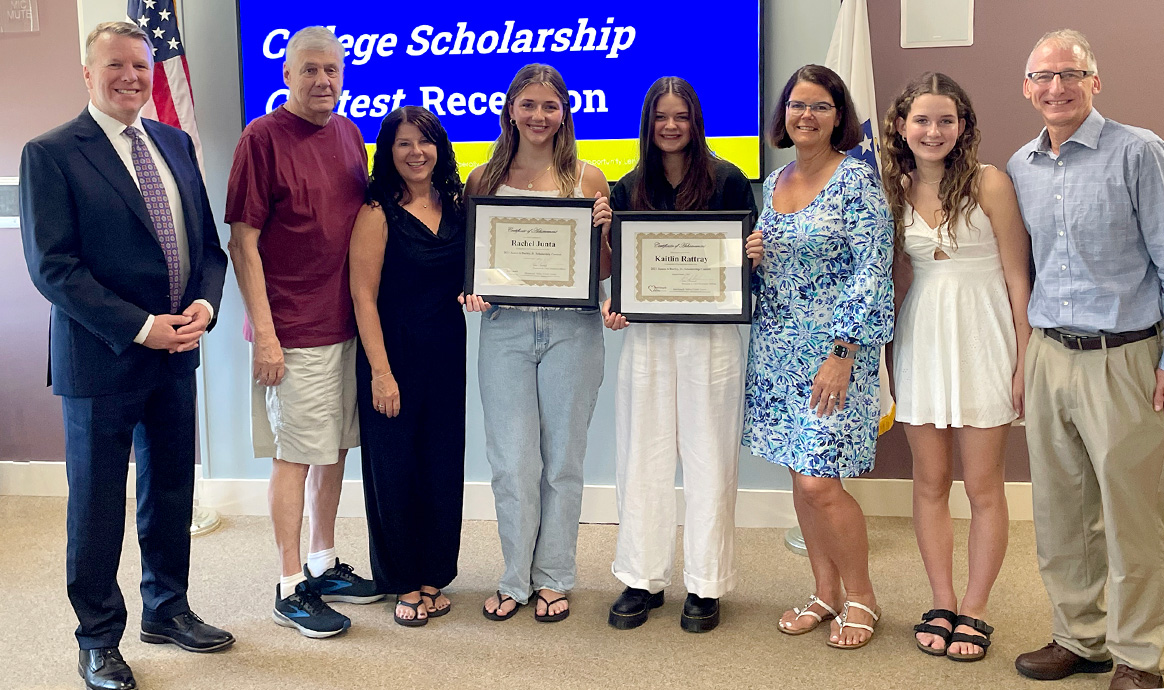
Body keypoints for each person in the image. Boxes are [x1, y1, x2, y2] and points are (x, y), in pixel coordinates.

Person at [19, 20, 232, 690]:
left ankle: (167, 610)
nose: (133, 77)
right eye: (117, 66)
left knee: (170, 491)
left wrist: (204, 305)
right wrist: (143, 327)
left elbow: (206, 249)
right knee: (97, 505)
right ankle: (97, 639)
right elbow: (54, 268)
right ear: (89, 74)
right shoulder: (50, 153)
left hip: (176, 355)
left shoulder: (173, 141)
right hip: (101, 359)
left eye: (141, 65)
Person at [1006, 30, 1164, 690]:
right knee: (1060, 512)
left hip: (1122, 358)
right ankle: (1081, 635)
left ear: (1095, 83)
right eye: (1043, 76)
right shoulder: (1020, 166)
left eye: (1071, 74)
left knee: (1132, 515)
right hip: (1050, 354)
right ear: (1027, 88)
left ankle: (1143, 654)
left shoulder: (1140, 152)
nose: (1056, 86)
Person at [225, 25, 382, 640]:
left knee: (334, 449)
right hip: (291, 332)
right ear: (287, 75)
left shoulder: (348, 134)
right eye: (309, 70)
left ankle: (321, 560)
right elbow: (243, 242)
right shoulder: (261, 139)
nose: (322, 81)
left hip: (344, 323)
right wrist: (265, 334)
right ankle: (289, 585)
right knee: (295, 457)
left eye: (332, 70)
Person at [592, 77, 756, 633]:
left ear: (695, 121)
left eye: (680, 116)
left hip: (711, 337)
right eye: (661, 116)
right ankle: (642, 577)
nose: (670, 125)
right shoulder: (627, 186)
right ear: (647, 121)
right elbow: (616, 274)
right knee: (643, 456)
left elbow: (743, 270)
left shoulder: (730, 180)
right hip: (648, 338)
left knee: (710, 458)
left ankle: (706, 585)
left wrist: (751, 253)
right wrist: (608, 260)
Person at [742, 64, 894, 649]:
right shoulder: (774, 182)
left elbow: (872, 270)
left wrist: (842, 351)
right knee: (798, 480)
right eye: (797, 105)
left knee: (818, 484)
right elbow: (774, 273)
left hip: (834, 354)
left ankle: (862, 595)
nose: (806, 116)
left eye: (821, 106)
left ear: (840, 117)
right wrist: (751, 260)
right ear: (783, 115)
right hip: (776, 350)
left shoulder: (857, 182)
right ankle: (824, 590)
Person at [881, 72, 1031, 662]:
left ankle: (976, 608)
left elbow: (1019, 277)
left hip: (985, 339)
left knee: (984, 486)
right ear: (900, 125)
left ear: (962, 126)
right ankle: (941, 600)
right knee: (929, 482)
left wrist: (1024, 360)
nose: (933, 130)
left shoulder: (991, 182)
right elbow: (889, 275)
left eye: (946, 119)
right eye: (921, 119)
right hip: (922, 338)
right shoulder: (892, 188)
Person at [462, 63, 610, 623]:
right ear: (509, 110)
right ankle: (514, 577)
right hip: (505, 330)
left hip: (573, 330)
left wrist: (604, 230)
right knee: (511, 462)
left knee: (562, 463)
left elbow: (601, 270)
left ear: (565, 112)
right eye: (528, 105)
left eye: (550, 106)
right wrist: (470, 293)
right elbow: (472, 262)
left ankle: (553, 578)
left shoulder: (588, 177)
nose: (539, 116)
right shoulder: (482, 177)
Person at [349, 106, 466, 627]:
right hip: (391, 357)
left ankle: (432, 574)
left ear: (439, 147)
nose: (416, 152)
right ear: (388, 152)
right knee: (394, 472)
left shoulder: (457, 205)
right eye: (403, 144)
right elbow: (363, 295)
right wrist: (381, 371)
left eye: (425, 142)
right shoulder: (376, 211)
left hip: (446, 355)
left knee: (441, 467)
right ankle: (400, 579)